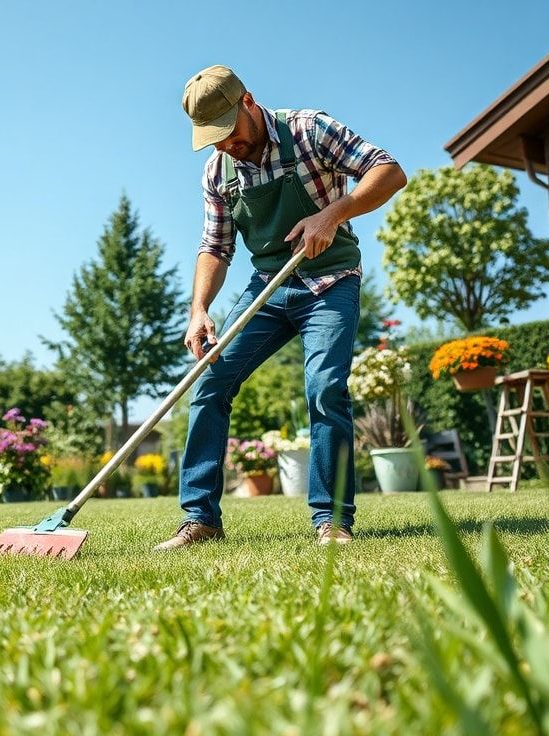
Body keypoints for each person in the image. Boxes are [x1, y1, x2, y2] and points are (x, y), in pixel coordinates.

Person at [154, 65, 406, 551]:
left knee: (325, 386)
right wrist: (199, 309)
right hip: (268, 286)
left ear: (248, 101)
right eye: (213, 139)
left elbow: (389, 171)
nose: (225, 145)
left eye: (228, 133)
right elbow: (215, 246)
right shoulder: (217, 171)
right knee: (210, 380)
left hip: (331, 281)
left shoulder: (309, 129)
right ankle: (200, 519)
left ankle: (331, 521)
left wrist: (333, 214)